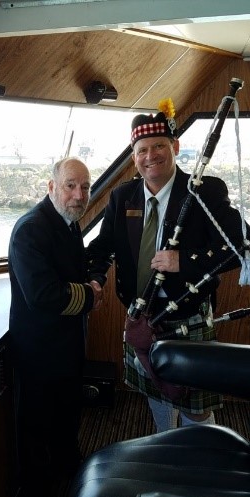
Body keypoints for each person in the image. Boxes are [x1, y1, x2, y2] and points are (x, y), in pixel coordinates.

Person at [87, 101, 249, 433]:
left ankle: (203, 460)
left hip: (187, 314)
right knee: (155, 396)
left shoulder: (204, 191)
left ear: (174, 146)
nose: (151, 155)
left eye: (159, 145)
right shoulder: (123, 197)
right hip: (140, 316)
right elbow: (104, 248)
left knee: (195, 405)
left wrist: (184, 261)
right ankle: (165, 440)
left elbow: (240, 246)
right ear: (134, 156)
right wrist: (94, 278)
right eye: (142, 149)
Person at [8, 157, 103, 497]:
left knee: (66, 411)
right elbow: (45, 295)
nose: (79, 195)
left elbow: (74, 270)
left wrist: (95, 277)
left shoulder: (68, 223)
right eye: (70, 185)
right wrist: (91, 295)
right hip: (39, 350)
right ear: (51, 187)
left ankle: (69, 469)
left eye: (85, 186)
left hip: (65, 344)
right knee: (36, 426)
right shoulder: (31, 229)